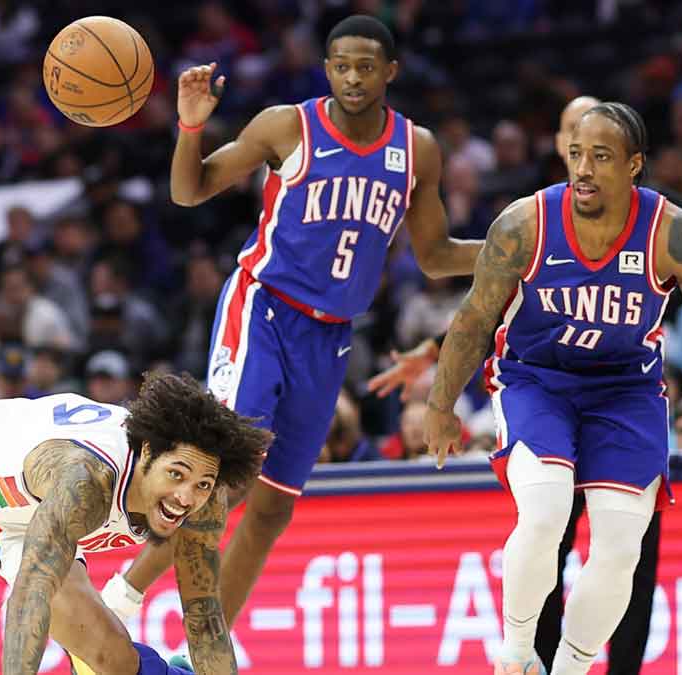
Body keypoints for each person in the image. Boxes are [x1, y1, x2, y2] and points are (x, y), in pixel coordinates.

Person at [368, 93, 682, 675]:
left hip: (625, 389)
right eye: (575, 154)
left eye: (600, 155)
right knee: (544, 514)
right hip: (536, 380)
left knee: (622, 549)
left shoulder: (676, 234)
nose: (584, 169)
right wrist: (442, 403)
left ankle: (571, 666)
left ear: (634, 164)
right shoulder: (524, 223)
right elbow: (472, 319)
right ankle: (516, 654)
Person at [108, 15, 483, 628]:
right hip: (264, 307)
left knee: (273, 508)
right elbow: (189, 190)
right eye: (341, 65)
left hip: (332, 334)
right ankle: (124, 596)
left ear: (391, 71)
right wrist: (191, 125)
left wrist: (519, 247)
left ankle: (203, 648)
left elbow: (436, 254)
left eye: (367, 66)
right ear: (326, 68)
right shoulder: (287, 125)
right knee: (222, 472)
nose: (353, 77)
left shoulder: (417, 149)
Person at [0, 372, 272, 675]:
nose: (185, 497)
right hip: (2, 507)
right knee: (110, 655)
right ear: (147, 453)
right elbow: (27, 598)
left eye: (202, 484)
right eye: (176, 475)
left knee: (114, 658)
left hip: (60, 448)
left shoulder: (204, 495)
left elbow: (204, 614)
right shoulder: (85, 485)